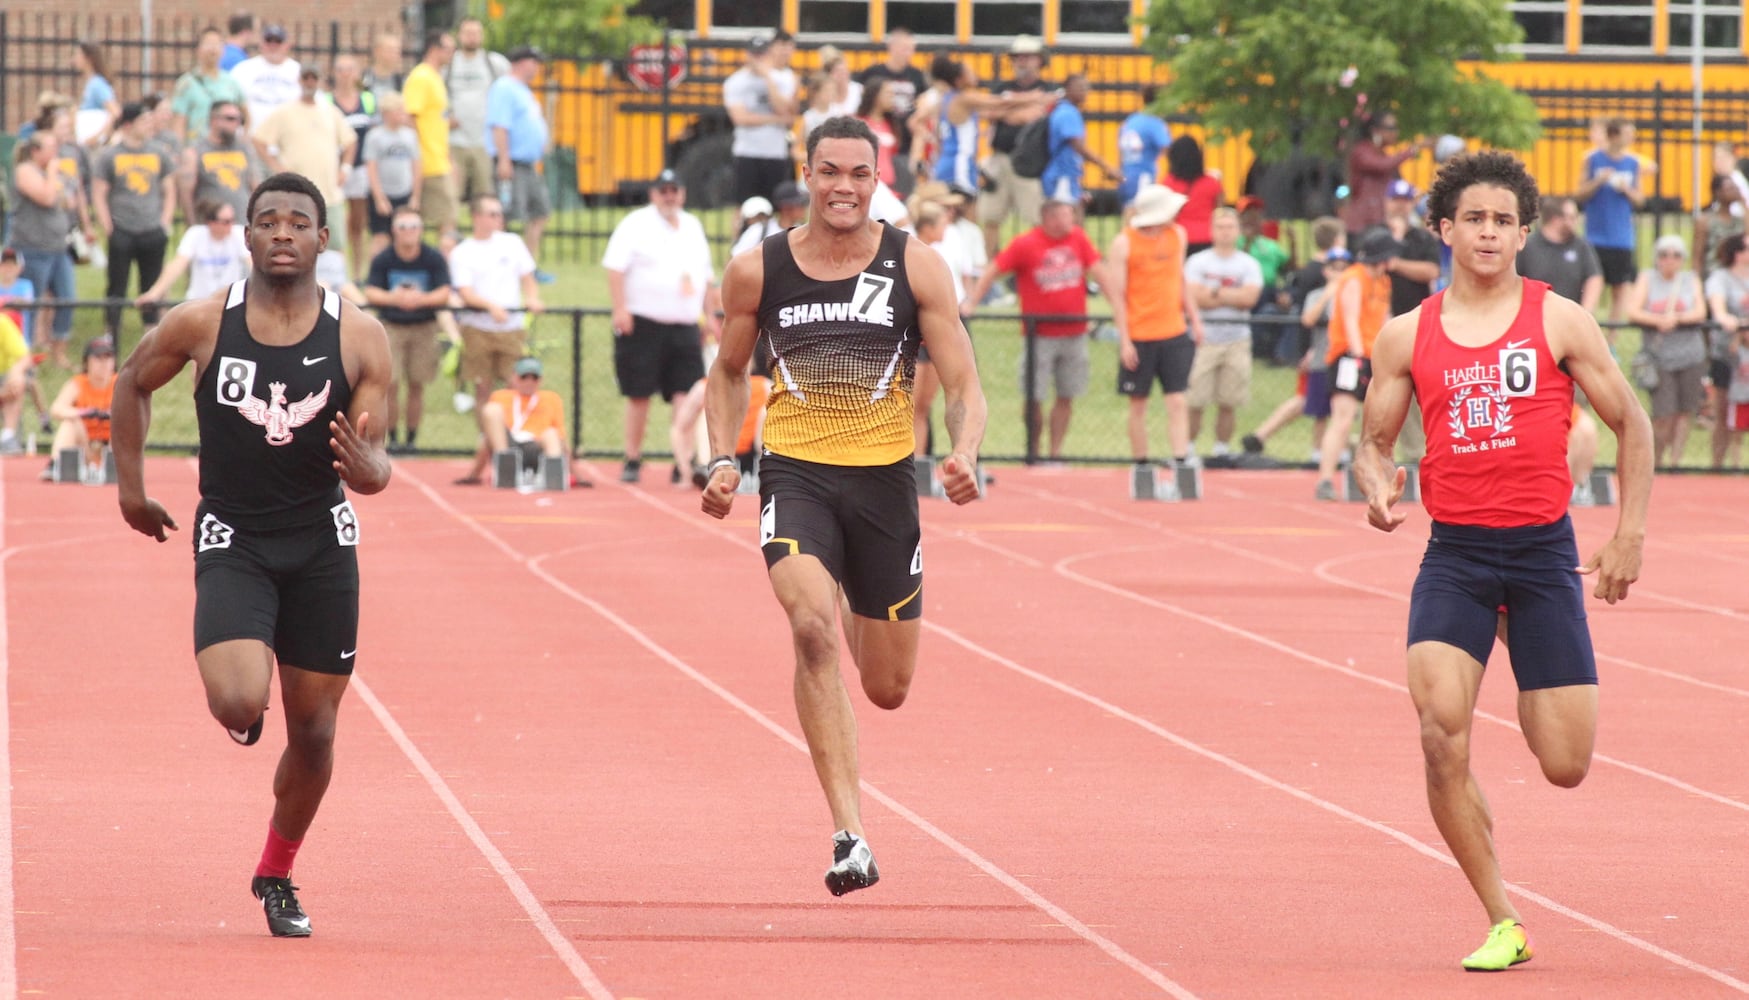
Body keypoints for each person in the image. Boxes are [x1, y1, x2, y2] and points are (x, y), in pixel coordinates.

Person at [1353, 150, 1651, 971]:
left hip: (1540, 554)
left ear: (1522, 233)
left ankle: (1527, 665)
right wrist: (1377, 486)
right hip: (1454, 556)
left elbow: (1632, 424)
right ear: (1443, 229)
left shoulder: (1558, 319)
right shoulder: (1406, 335)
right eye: (1472, 219)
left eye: (1502, 221)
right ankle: (1501, 917)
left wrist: (1627, 533)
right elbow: (1372, 445)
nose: (1487, 233)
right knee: (1440, 734)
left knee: (1563, 765)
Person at [699, 116, 987, 895]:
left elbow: (962, 384)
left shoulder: (915, 266)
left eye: (859, 174)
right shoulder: (758, 269)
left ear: (876, 179)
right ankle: (849, 831)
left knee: (887, 689)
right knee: (809, 629)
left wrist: (962, 453)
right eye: (830, 172)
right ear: (808, 174)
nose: (844, 188)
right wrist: (725, 457)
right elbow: (727, 373)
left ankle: (867, 610)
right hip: (794, 474)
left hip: (884, 481)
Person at [111, 171, 394, 938]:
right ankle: (244, 701)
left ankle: (276, 873)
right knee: (239, 701)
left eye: (296, 222)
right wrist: (130, 489)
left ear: (322, 239)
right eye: (265, 220)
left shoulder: (360, 335)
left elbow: (374, 456)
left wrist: (374, 474)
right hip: (234, 533)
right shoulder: (202, 323)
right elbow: (131, 383)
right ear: (244, 236)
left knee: (317, 734)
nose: (280, 232)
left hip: (320, 541)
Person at [965, 196, 1121, 460]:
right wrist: (973, 302)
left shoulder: (1078, 239)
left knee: (1067, 393)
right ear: (1048, 217)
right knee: (1033, 396)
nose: (1070, 220)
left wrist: (1117, 304)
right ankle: (1033, 450)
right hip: (1039, 336)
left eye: (1070, 215)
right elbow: (994, 269)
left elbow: (1099, 272)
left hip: (1074, 333)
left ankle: (1055, 452)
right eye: (1065, 215)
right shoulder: (1026, 244)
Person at [603, 169, 718, 485]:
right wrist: (620, 308)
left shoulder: (692, 225)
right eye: (663, 190)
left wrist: (709, 315)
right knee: (639, 394)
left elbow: (705, 277)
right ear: (654, 194)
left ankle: (682, 459)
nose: (670, 196)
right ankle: (632, 457)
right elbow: (614, 268)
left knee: (686, 393)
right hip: (643, 322)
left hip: (683, 324)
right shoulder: (635, 224)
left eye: (675, 190)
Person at [449, 194, 543, 477]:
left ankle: (517, 439)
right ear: (476, 217)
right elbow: (465, 292)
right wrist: (490, 307)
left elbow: (528, 277)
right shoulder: (462, 252)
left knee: (515, 385)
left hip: (511, 328)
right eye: (491, 213)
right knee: (483, 388)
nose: (497, 218)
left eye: (498, 213)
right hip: (478, 327)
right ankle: (488, 440)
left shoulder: (512, 243)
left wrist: (533, 298)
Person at [1107, 184, 1199, 468]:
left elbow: (1179, 279)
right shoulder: (1124, 243)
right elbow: (1118, 296)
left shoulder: (1177, 236)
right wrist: (1125, 339)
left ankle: (1181, 457)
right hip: (1140, 334)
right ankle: (1141, 462)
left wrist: (1194, 318)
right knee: (1138, 404)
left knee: (1177, 400)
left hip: (1173, 330)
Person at [1313, 230, 1396, 498]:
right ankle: (1326, 479)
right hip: (1349, 355)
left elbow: (1384, 318)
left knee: (1376, 421)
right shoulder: (1353, 278)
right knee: (1343, 417)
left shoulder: (1383, 282)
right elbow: (1350, 320)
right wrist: (1359, 358)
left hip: (1374, 354)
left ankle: (1370, 478)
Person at [361, 205, 450, 453]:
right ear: (394, 230)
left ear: (421, 230)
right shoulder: (384, 258)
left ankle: (412, 439)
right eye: (403, 227)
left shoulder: (432, 257)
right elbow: (371, 290)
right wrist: (396, 299)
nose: (408, 232)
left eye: (413, 227)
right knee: (390, 384)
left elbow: (444, 291)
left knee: (417, 385)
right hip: (392, 327)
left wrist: (420, 300)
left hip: (424, 327)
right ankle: (393, 437)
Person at [1183, 207, 1263, 460]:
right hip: (1203, 337)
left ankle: (1221, 449)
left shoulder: (1248, 263)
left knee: (1229, 400)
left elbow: (1249, 298)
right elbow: (1194, 297)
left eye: (1230, 227)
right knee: (1195, 400)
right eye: (1220, 227)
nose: (1225, 232)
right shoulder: (1198, 262)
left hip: (1236, 338)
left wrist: (1214, 293)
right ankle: (1187, 448)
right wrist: (1230, 296)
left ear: (1238, 231)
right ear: (1212, 230)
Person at [93, 102, 178, 335]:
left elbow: (169, 189)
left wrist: (165, 222)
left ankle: (151, 333)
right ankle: (112, 333)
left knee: (151, 284)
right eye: (144, 120)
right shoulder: (110, 155)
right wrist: (109, 227)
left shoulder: (158, 152)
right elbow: (99, 193)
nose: (149, 125)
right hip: (122, 229)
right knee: (116, 285)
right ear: (129, 124)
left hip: (152, 229)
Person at [1622, 234, 1708, 467]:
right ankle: (1657, 460)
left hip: (1690, 354)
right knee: (1663, 414)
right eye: (1664, 255)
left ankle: (1675, 462)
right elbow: (1632, 310)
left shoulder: (1690, 280)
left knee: (1684, 412)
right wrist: (1658, 320)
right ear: (1657, 258)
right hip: (1660, 358)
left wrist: (1677, 318)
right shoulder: (1647, 279)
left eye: (1676, 255)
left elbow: (1700, 311)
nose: (1669, 260)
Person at [978, 34, 1052, 261]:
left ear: (1039, 60)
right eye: (1018, 57)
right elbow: (988, 112)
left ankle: (1034, 262)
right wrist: (1022, 109)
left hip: (1030, 163)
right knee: (990, 216)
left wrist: (1007, 109)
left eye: (1028, 57)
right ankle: (990, 265)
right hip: (1000, 157)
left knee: (1036, 217)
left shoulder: (1048, 88)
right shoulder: (1002, 86)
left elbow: (1042, 112)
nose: (1022, 61)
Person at [251, 66, 356, 219]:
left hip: (329, 194)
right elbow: (259, 139)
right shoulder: (285, 111)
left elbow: (350, 141)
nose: (310, 82)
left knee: (335, 241)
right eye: (306, 78)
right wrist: (277, 167)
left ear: (320, 82)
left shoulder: (330, 111)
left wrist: (345, 169)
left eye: (314, 79)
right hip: (296, 194)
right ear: (299, 81)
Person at [486, 47, 553, 275]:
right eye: (533, 62)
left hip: (529, 164)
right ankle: (502, 265)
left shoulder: (523, 90)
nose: (536, 67)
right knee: (505, 216)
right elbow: (500, 126)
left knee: (540, 212)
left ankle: (528, 266)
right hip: (512, 163)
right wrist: (504, 159)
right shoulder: (504, 88)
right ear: (520, 63)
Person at [474, 356, 591, 487]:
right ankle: (506, 468)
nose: (529, 382)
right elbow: (487, 438)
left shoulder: (552, 399)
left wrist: (577, 475)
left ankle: (553, 475)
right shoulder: (500, 396)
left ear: (541, 380)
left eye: (534, 378)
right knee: (491, 410)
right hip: (510, 445)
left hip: (537, 448)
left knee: (552, 433)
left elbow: (561, 439)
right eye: (524, 377)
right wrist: (473, 475)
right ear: (514, 378)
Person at [1576, 118, 1645, 326]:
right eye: (1627, 133)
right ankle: (1587, 329)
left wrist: (1627, 189)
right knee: (1592, 286)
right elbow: (1579, 194)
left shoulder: (1633, 163)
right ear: (1614, 135)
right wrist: (1599, 180)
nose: (1631, 137)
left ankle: (1613, 340)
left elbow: (1641, 199)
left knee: (1619, 288)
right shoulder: (1593, 160)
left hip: (1621, 236)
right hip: (1595, 235)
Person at [723, 33, 799, 203]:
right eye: (754, 54)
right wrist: (775, 120)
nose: (757, 59)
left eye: (761, 54)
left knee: (777, 206)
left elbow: (785, 111)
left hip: (775, 152)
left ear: (769, 54)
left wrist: (768, 79)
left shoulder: (784, 78)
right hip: (747, 151)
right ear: (747, 55)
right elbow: (740, 118)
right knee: (743, 205)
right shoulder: (735, 82)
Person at [444, 18, 511, 209]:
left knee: (485, 195)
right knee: (453, 193)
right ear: (460, 36)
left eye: (476, 33)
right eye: (467, 33)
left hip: (484, 140)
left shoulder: (494, 63)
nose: (472, 37)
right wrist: (446, 117)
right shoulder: (449, 65)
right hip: (455, 141)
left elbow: (508, 93)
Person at [136, 199, 251, 307]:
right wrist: (154, 293)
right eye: (226, 222)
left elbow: (252, 263)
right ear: (211, 223)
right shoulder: (195, 235)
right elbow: (178, 265)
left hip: (229, 301)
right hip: (199, 301)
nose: (231, 226)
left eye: (232, 220)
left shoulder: (238, 234)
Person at [1340, 111, 1430, 247]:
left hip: (1381, 221)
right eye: (1391, 128)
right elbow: (1381, 165)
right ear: (1375, 130)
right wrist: (1410, 152)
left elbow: (1397, 180)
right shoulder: (1362, 151)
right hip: (1362, 224)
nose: (1395, 132)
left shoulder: (1383, 154)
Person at [403, 30, 458, 247]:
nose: (452, 54)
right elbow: (410, 117)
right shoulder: (421, 77)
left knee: (444, 219)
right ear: (434, 49)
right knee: (447, 219)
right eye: (449, 49)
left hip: (439, 158)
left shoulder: (435, 77)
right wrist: (420, 154)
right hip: (428, 161)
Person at [43, 334, 117, 480]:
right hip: (85, 446)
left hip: (110, 447)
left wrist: (112, 414)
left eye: (107, 358)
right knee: (70, 422)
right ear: (86, 362)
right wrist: (84, 413)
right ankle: (55, 463)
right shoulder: (78, 384)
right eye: (98, 358)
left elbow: (136, 413)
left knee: (124, 425)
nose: (103, 363)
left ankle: (120, 468)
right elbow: (56, 408)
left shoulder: (121, 384)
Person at [360, 93, 422, 262]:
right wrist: (379, 198)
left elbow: (416, 166)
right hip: (384, 194)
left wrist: (415, 196)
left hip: (404, 193)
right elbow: (371, 168)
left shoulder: (410, 135)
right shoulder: (375, 136)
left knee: (405, 235)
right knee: (381, 238)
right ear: (386, 114)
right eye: (398, 111)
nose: (402, 114)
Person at [180, 99, 263, 223]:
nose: (236, 124)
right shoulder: (196, 151)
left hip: (242, 222)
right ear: (214, 120)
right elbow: (186, 193)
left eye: (240, 119)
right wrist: (192, 223)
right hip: (210, 224)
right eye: (230, 118)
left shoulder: (244, 148)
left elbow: (256, 186)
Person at [1705, 233, 1749, 468]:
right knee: (1723, 414)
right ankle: (1718, 466)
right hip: (1728, 355)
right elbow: (1718, 308)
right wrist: (1729, 320)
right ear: (1738, 254)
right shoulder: (1721, 278)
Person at [1039, 74, 1117, 206]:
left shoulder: (1066, 110)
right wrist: (1106, 167)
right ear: (1068, 89)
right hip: (1062, 174)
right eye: (1080, 87)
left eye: (1086, 87)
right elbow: (1078, 146)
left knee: (1074, 216)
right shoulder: (1067, 112)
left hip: (1067, 174)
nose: (1085, 91)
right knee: (1065, 218)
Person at [170, 27, 247, 142]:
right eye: (208, 44)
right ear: (198, 49)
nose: (213, 49)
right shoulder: (187, 83)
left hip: (226, 151)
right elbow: (178, 122)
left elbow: (246, 115)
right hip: (196, 149)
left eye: (217, 44)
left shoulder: (231, 82)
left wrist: (241, 139)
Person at [230, 24, 301, 130]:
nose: (273, 45)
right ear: (261, 44)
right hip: (250, 136)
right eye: (268, 41)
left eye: (278, 41)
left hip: (287, 138)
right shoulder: (243, 69)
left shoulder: (298, 71)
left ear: (287, 45)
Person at [1164, 135, 1222, 255]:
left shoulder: (1167, 183)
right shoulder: (1212, 183)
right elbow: (1219, 212)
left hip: (1178, 238)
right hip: (1207, 238)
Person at [1117, 86, 1172, 207]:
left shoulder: (1131, 120)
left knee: (1129, 210)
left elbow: (1121, 149)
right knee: (1143, 211)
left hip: (1127, 173)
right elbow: (1167, 147)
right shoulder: (1154, 122)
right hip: (1143, 175)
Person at [0, 312, 31, 454]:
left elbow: (24, 358)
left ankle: (8, 436)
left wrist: (15, 375)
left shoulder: (3, 323)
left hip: (2, 380)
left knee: (18, 380)